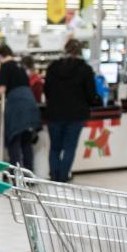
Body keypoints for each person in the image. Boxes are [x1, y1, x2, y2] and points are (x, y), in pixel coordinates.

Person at [43, 39, 98, 182]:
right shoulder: (85, 70)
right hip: (76, 114)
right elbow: (91, 95)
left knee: (55, 147)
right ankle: (63, 176)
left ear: (65, 50)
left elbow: (47, 91)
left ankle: (54, 175)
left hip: (54, 113)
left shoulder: (52, 67)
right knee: (69, 147)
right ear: (80, 52)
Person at [0, 45, 41, 169]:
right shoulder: (20, 67)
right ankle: (29, 177)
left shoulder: (5, 66)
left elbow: (1, 90)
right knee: (26, 142)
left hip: (17, 108)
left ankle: (16, 176)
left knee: (13, 141)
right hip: (30, 107)